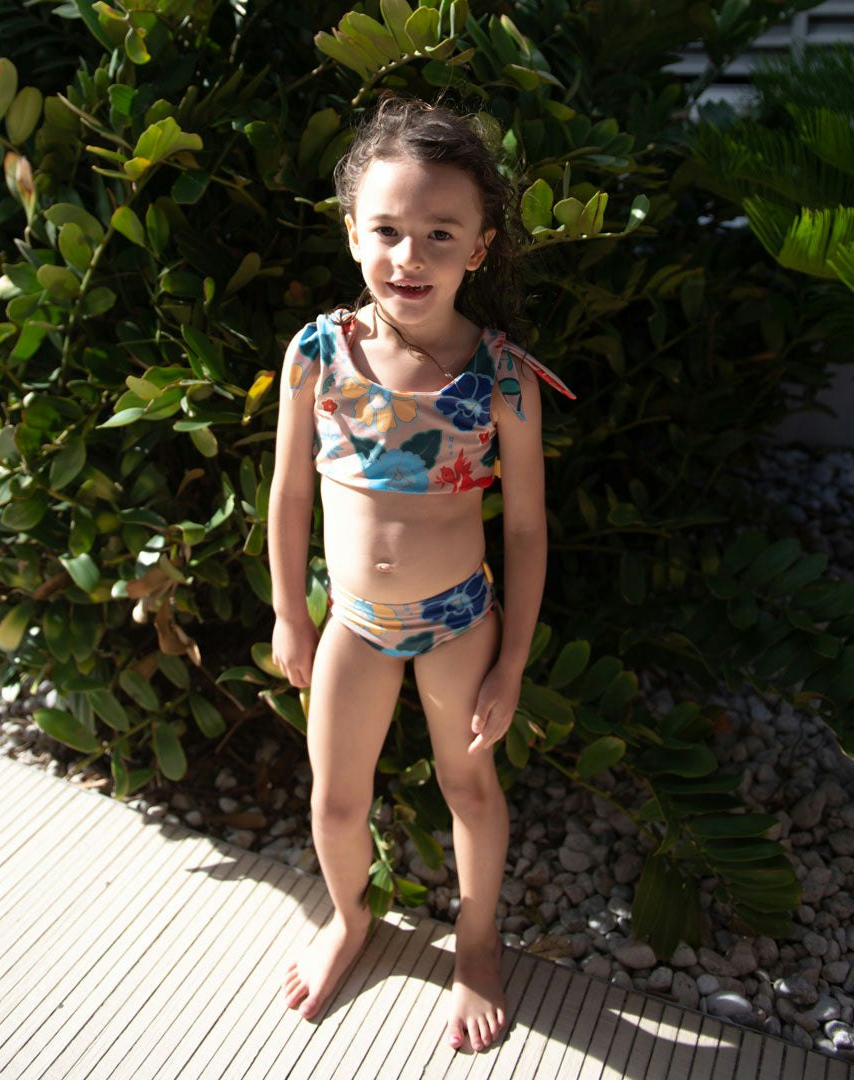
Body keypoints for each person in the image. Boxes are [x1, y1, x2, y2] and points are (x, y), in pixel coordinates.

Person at [268, 96, 574, 1054]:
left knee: (469, 788)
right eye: (388, 230)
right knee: (334, 798)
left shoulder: (503, 378)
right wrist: (289, 614)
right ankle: (350, 918)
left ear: (479, 247)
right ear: (352, 231)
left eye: (440, 234)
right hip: (354, 622)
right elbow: (288, 495)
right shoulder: (317, 356)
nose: (410, 256)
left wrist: (511, 663)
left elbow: (526, 529)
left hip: (460, 622)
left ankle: (477, 942)